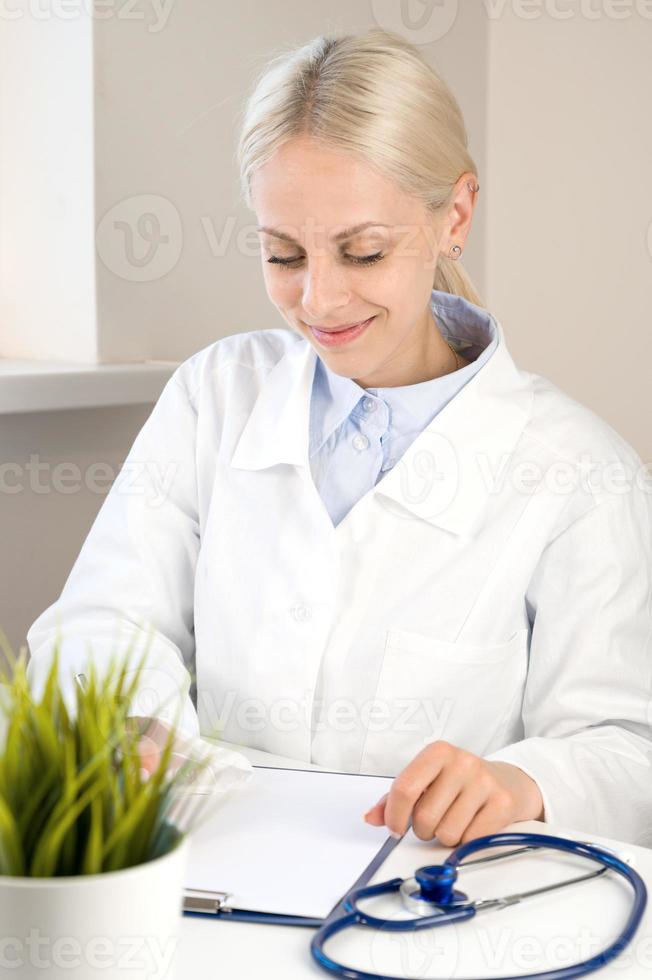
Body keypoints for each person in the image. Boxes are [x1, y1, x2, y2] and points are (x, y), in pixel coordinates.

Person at [26, 29, 652, 847]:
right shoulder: (217, 395)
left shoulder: (579, 471)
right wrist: (132, 723)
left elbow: (627, 749)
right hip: (212, 872)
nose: (318, 300)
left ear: (454, 214)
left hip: (436, 904)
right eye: (283, 253)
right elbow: (103, 619)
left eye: (363, 252)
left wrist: (524, 782)